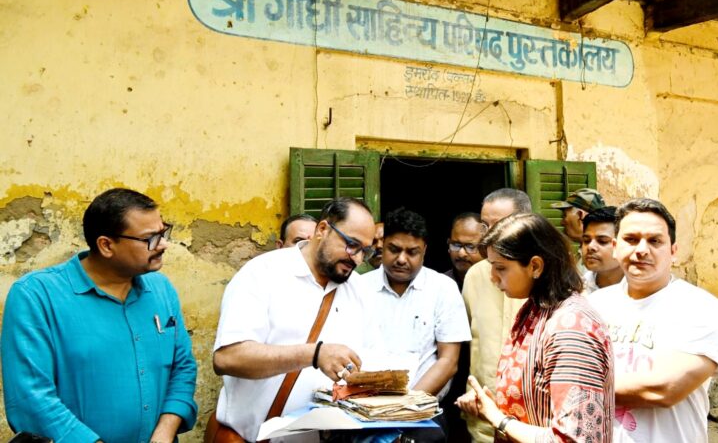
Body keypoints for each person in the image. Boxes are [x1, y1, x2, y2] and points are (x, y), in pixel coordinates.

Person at [1, 188, 198, 443]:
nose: (163, 244)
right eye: (150, 238)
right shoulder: (36, 296)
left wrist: (165, 431)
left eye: (163, 232)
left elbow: (183, 367)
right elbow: (30, 397)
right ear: (106, 245)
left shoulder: (161, 289)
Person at [211, 197, 376, 442]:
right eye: (352, 245)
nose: (358, 259)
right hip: (252, 439)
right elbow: (227, 358)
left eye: (365, 251)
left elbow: (367, 366)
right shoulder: (262, 273)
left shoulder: (360, 290)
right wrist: (314, 354)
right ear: (322, 229)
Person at [456, 212, 614, 442]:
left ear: (535, 266)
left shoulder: (571, 327)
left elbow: (573, 438)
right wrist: (491, 406)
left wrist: (498, 418)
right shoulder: (534, 311)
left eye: (500, 268)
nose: (492, 277)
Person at [588, 198, 718, 442]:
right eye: (631, 239)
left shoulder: (699, 307)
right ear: (615, 247)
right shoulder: (594, 305)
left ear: (673, 252)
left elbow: (664, 390)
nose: (641, 250)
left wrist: (573, 385)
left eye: (655, 241)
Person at [363, 208, 471, 396]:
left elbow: (448, 361)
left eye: (412, 252)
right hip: (363, 404)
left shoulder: (443, 288)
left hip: (422, 406)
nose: (401, 259)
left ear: (424, 251)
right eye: (394, 250)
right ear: (382, 245)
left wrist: (406, 405)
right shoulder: (359, 287)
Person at [461, 188, 532, 443]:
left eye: (499, 225)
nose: (489, 234)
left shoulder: (542, 275)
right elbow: (471, 347)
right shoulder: (475, 275)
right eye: (485, 225)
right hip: (482, 424)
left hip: (533, 426)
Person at [581, 206, 624, 293]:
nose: (590, 247)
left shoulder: (644, 290)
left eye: (602, 241)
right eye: (586, 241)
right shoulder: (578, 289)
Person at [444, 212, 485, 291]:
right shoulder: (439, 285)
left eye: (470, 247)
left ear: (486, 249)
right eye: (456, 245)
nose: (461, 254)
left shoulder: (499, 284)